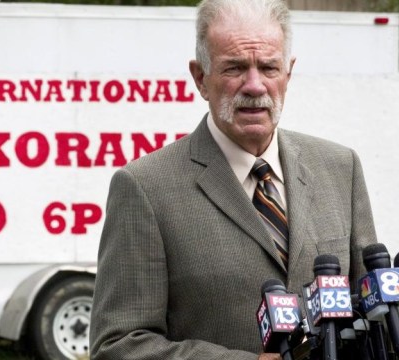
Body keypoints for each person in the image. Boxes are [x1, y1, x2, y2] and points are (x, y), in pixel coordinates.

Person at [89, 0, 377, 359]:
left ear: (288, 74)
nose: (254, 86)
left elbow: (373, 309)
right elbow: (117, 345)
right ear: (200, 78)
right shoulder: (145, 187)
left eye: (268, 67)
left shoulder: (340, 167)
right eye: (235, 68)